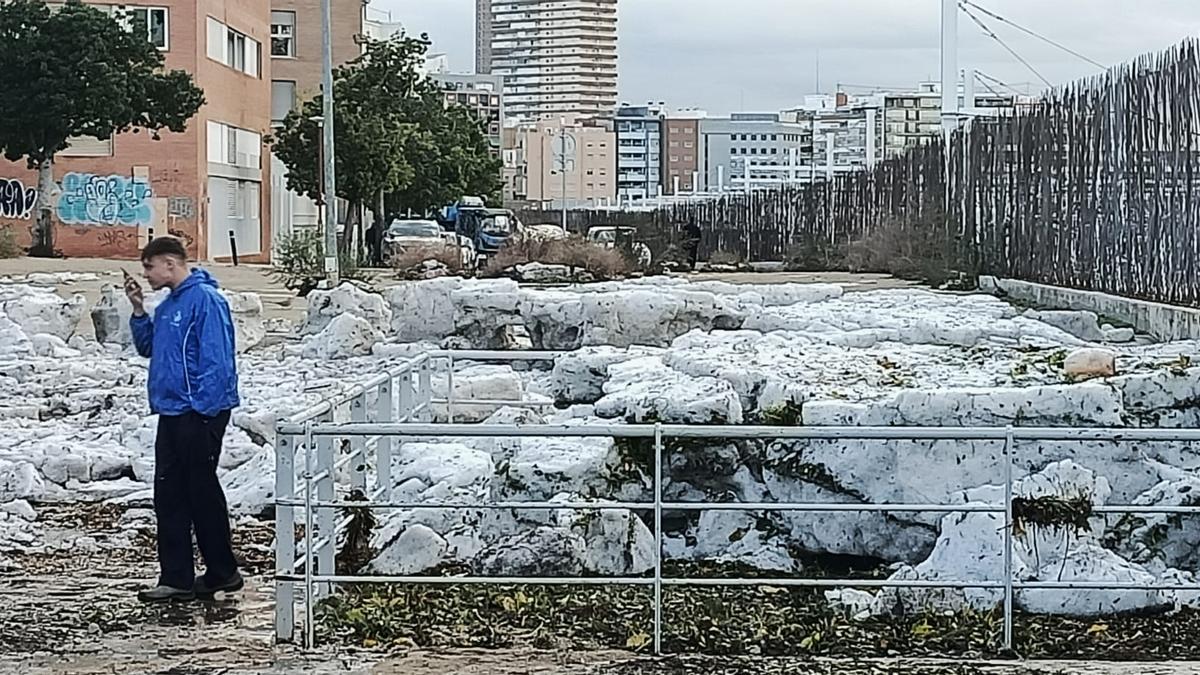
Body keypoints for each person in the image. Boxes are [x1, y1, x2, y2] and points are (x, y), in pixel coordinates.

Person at [124, 237, 243, 602]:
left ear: (170, 264)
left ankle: (223, 572)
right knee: (169, 493)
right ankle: (175, 577)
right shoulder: (169, 304)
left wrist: (204, 409)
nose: (146, 275)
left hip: (198, 411)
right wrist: (138, 310)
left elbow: (218, 359)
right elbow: (150, 348)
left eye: (149, 267)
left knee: (201, 491)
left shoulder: (206, 301)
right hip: (172, 410)